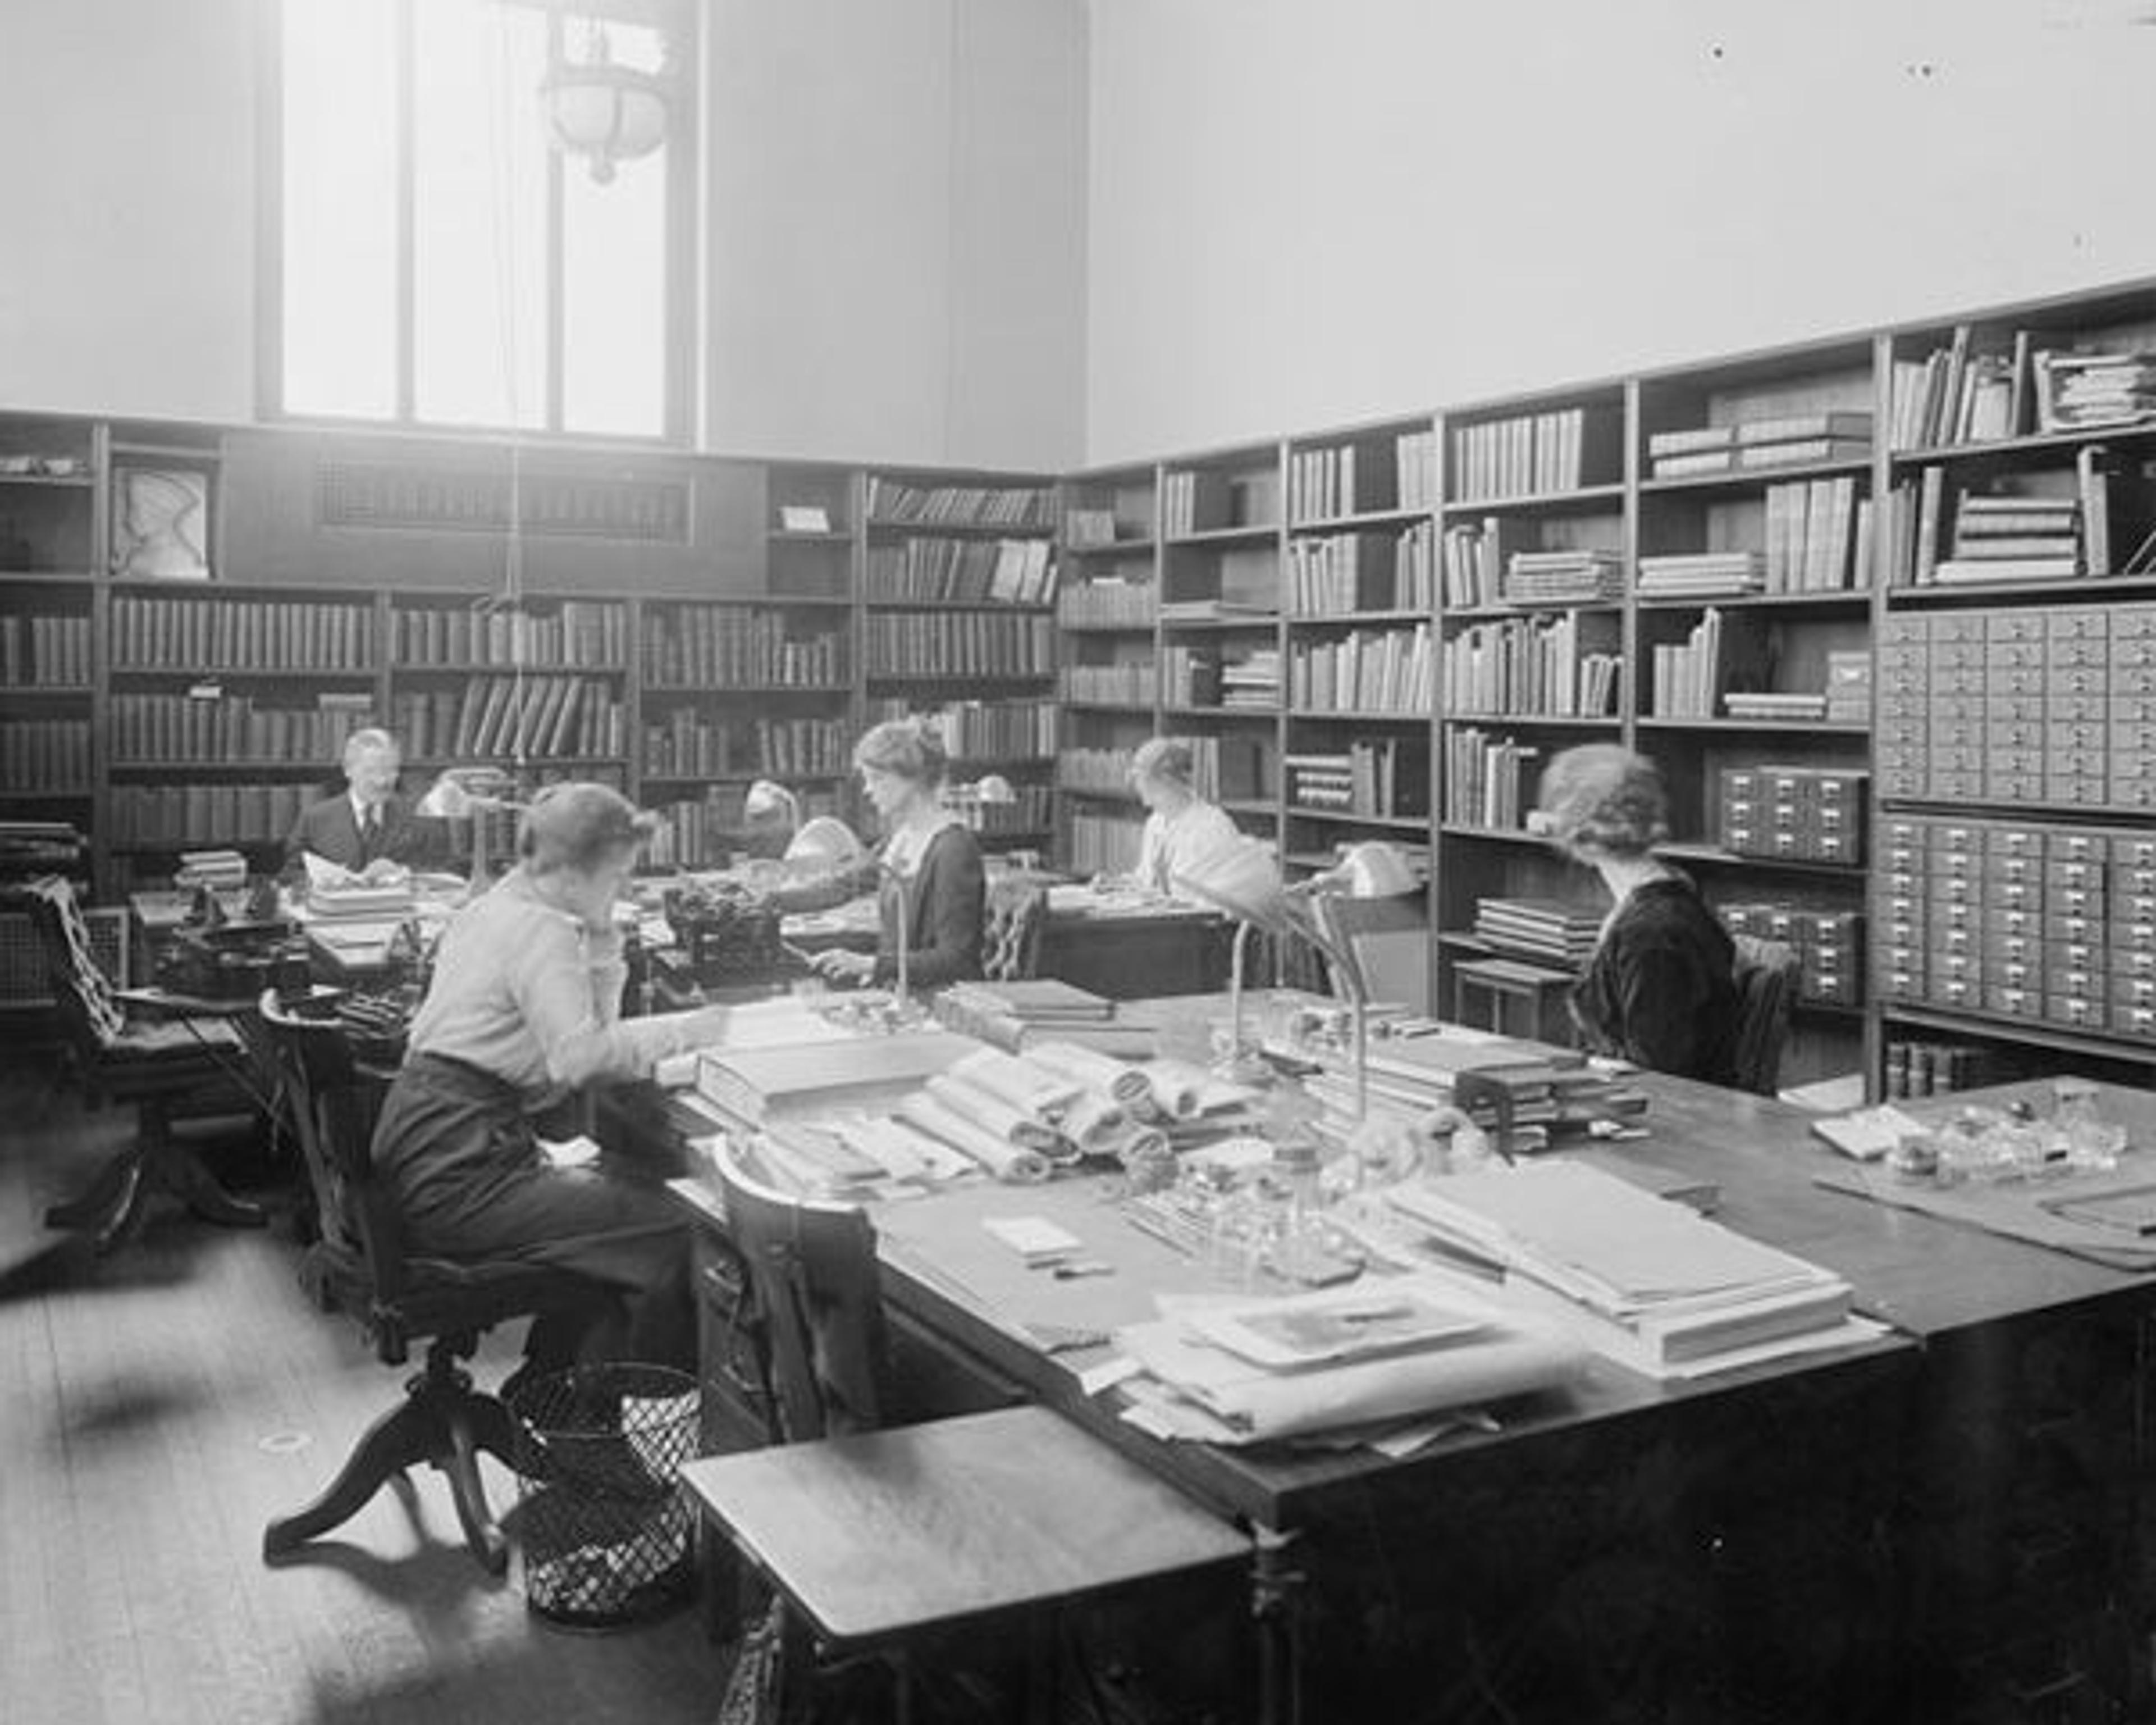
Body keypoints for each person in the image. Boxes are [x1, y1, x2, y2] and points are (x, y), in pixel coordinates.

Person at [368, 782, 730, 1379]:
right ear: (571, 872)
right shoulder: (542, 930)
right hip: (462, 1170)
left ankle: (555, 1393)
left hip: (427, 1147)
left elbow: (590, 1035)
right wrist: (699, 1029)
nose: (623, 890)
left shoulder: (490, 907)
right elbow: (580, 1061)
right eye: (617, 876)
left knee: (626, 1205)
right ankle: (600, 1416)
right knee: (685, 1226)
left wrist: (606, 934)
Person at [1534, 743, 1740, 1086]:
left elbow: (1660, 1074)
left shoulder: (1653, 933)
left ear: (1578, 831)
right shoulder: (1663, 898)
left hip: (1664, 1120)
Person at [808, 719, 985, 992]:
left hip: (941, 1003)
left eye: (877, 778)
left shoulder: (953, 849)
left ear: (913, 778)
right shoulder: (901, 836)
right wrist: (768, 898)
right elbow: (844, 885)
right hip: (901, 993)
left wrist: (871, 965)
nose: (867, 790)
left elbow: (956, 959)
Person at [282, 727, 446, 882]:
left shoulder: (418, 816)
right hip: (339, 909)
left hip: (397, 909)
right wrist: (329, 882)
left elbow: (441, 870)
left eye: (390, 771)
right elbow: (290, 877)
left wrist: (403, 872)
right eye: (371, 771)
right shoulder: (315, 819)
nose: (382, 781)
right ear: (348, 770)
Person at [1128, 736, 1244, 897]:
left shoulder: (1213, 826)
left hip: (1198, 918)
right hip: (1159, 916)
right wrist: (1119, 886)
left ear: (1167, 780)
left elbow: (1227, 894)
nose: (1137, 785)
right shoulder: (1155, 823)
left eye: (1140, 777)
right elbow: (1146, 879)